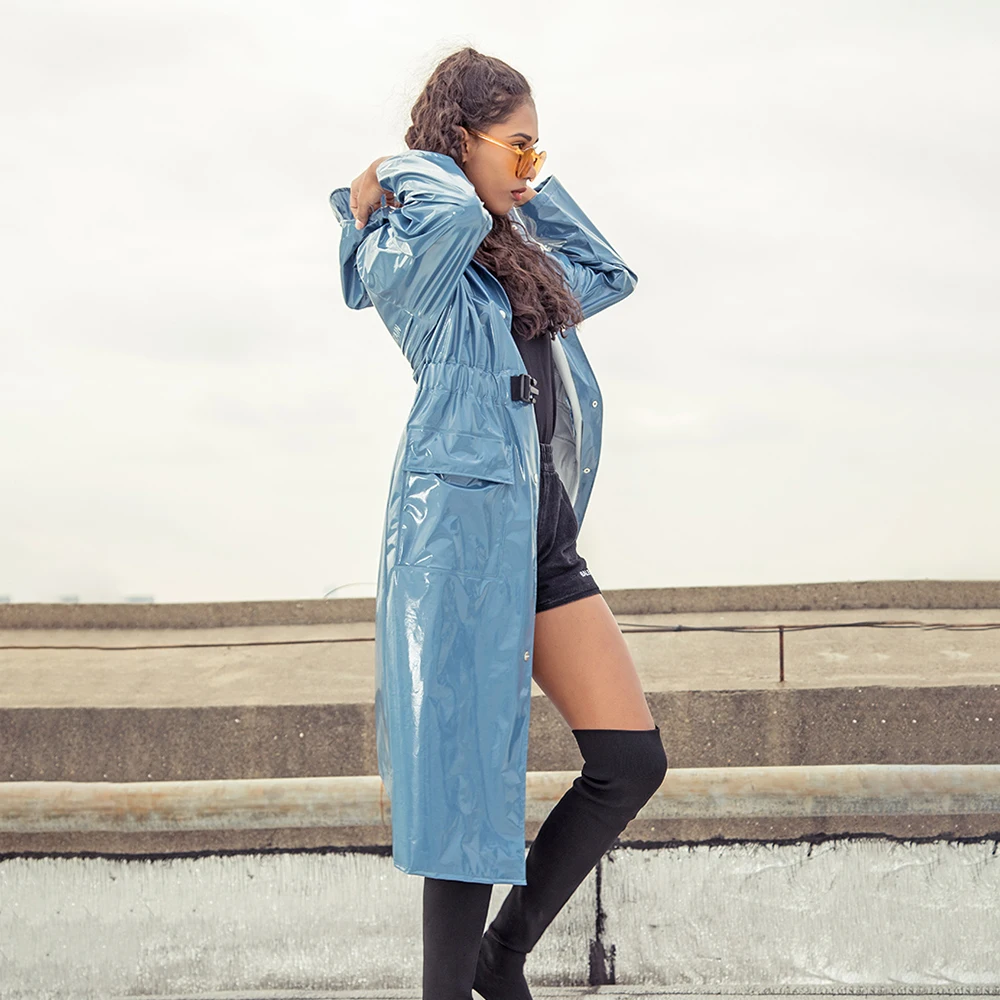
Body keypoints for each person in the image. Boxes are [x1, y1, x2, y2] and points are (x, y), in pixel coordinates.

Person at [331, 46, 667, 1000]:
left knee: (630, 760)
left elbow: (611, 269)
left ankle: (500, 954)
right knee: (470, 793)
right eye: (516, 147)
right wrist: (404, 166)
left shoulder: (522, 265)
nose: (529, 168)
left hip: (542, 538)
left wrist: (529, 177)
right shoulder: (422, 262)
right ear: (460, 141)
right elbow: (441, 209)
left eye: (537, 152)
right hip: (464, 545)